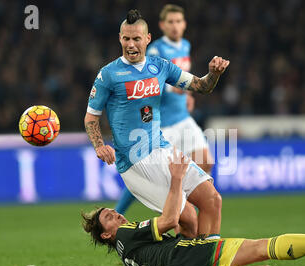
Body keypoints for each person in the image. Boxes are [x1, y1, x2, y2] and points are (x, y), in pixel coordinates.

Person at [82, 149, 305, 266]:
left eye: (113, 211)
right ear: (106, 235)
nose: (117, 215)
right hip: (188, 261)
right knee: (263, 246)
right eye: (109, 218)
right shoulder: (126, 235)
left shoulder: (126, 249)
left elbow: (176, 227)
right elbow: (169, 219)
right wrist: (177, 178)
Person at [84, 9, 230, 239]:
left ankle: (211, 264)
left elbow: (202, 85)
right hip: (135, 163)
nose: (131, 45)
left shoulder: (161, 66)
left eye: (136, 39)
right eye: (126, 38)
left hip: (162, 149)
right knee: (189, 219)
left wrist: (214, 74)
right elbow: (91, 117)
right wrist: (99, 146)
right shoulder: (108, 75)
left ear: (147, 39)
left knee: (213, 200)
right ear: (120, 38)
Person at [115, 4, 214, 216]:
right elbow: (150, 81)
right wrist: (174, 90)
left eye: (178, 21)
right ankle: (119, 211)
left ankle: (187, 210)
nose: (175, 26)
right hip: (162, 125)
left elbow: (181, 77)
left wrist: (187, 94)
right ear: (162, 25)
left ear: (184, 24)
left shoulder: (185, 45)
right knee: (145, 176)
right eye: (170, 22)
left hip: (183, 119)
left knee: (206, 161)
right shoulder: (155, 50)